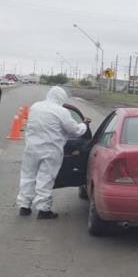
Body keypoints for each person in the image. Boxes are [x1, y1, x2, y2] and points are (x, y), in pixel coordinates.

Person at [16, 86, 90, 219]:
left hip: (31, 148)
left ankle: (24, 206)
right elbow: (75, 130)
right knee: (45, 178)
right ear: (61, 97)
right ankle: (43, 210)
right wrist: (84, 124)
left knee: (28, 176)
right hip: (50, 150)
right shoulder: (61, 111)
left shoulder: (35, 107)